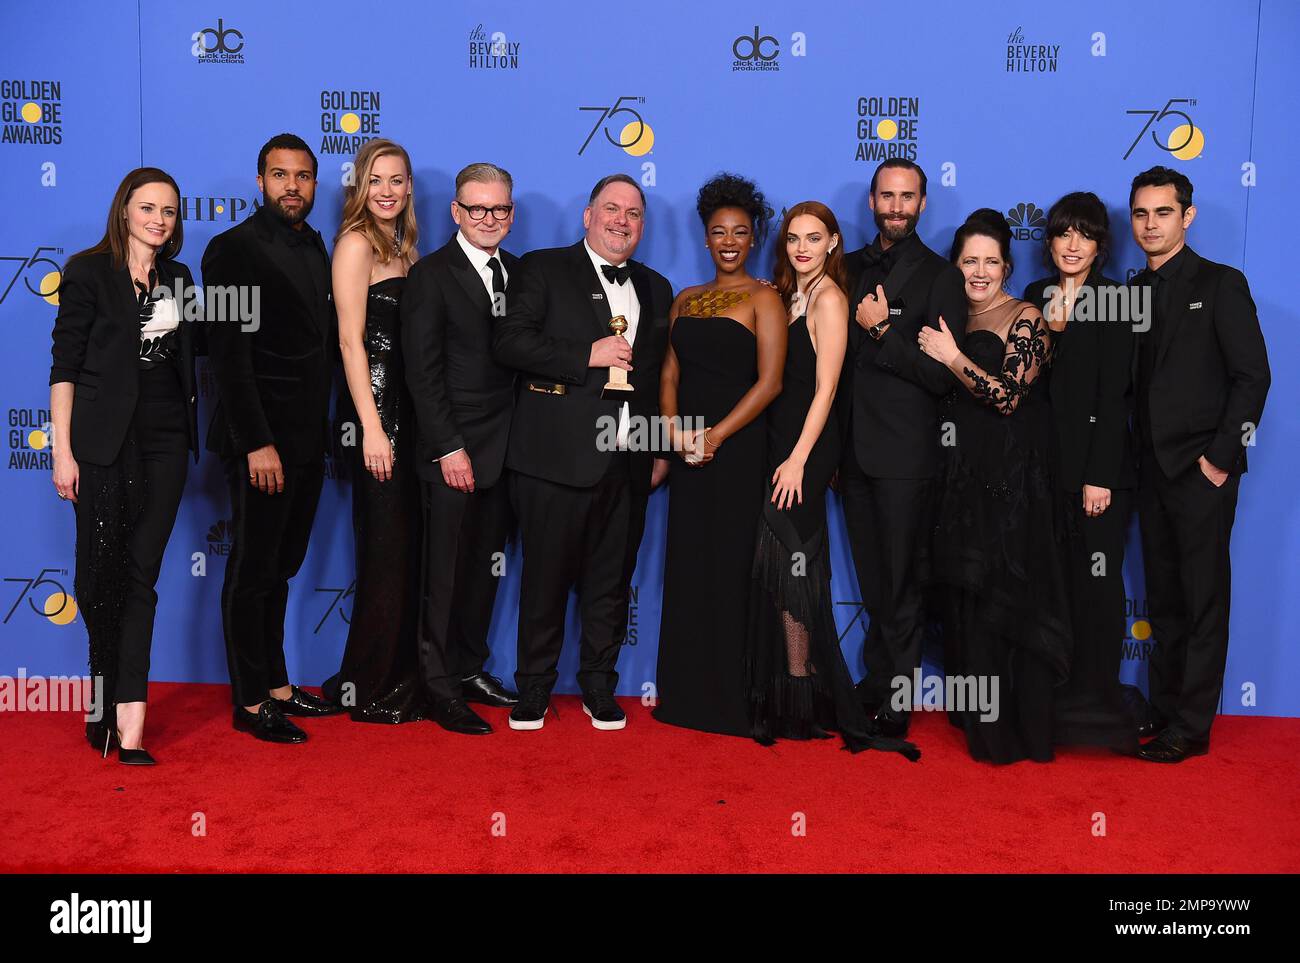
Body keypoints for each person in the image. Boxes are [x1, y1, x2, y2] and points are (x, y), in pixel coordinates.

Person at [493, 173, 672, 731]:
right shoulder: (542, 268)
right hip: (553, 458)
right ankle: (534, 690)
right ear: (588, 215)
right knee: (543, 580)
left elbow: (660, 376)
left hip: (628, 458)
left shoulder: (657, 287)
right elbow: (510, 342)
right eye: (612, 209)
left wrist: (660, 444)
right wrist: (585, 353)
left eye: (634, 213)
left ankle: (600, 686)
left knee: (611, 583)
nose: (622, 220)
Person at [747, 202, 919, 759]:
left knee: (796, 564)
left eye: (813, 238)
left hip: (808, 447)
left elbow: (825, 390)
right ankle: (800, 688)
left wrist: (799, 459)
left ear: (833, 244)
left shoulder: (830, 299)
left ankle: (801, 697)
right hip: (781, 443)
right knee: (781, 566)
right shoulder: (788, 292)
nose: (801, 247)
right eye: (794, 237)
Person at [50, 167, 200, 765]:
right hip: (101, 442)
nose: (159, 220)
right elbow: (65, 368)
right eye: (148, 208)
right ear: (124, 210)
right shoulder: (88, 272)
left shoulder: (181, 279)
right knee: (96, 578)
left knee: (140, 577)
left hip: (166, 438)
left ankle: (129, 726)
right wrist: (62, 451)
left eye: (168, 210)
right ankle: (101, 696)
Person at [1127, 166, 1270, 762]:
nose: (1150, 224)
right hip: (1149, 471)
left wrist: (1220, 459)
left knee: (1203, 598)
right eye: (1140, 214)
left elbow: (1252, 377)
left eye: (1163, 212)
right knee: (1163, 600)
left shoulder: (1221, 283)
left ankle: (1192, 725)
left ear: (1186, 216)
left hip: (1201, 471)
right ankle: (1163, 712)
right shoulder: (1131, 290)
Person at [204, 133, 343, 743]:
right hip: (262, 440)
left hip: (308, 439)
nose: (293, 186)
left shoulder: (315, 244)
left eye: (304, 176)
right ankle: (249, 700)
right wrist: (256, 441)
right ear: (259, 181)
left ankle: (280, 687)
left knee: (282, 567)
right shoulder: (231, 249)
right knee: (254, 568)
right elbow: (228, 359)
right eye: (281, 175)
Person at [917, 209, 1068, 763]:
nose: (979, 271)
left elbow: (1008, 395)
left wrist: (953, 356)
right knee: (969, 597)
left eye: (990, 261)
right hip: (960, 476)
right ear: (956, 265)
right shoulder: (949, 315)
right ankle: (983, 723)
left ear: (1007, 265)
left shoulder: (1026, 315)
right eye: (969, 260)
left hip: (1013, 478)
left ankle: (1020, 732)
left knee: (1009, 595)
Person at [838, 159, 968, 737]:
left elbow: (943, 377)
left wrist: (881, 331)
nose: (896, 207)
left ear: (922, 204)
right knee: (872, 579)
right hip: (850, 456)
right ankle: (875, 679)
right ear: (871, 202)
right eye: (886, 197)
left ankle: (898, 698)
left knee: (902, 582)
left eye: (907, 197)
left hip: (908, 457)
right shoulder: (845, 268)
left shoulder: (941, 276)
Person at [652, 173, 785, 737]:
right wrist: (675, 430)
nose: (728, 240)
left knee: (732, 567)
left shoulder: (764, 297)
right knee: (689, 564)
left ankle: (731, 701)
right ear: (705, 239)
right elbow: (669, 373)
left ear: (753, 238)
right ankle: (684, 696)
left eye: (739, 231)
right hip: (688, 453)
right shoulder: (684, 299)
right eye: (717, 232)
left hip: (736, 452)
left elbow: (771, 382)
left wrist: (715, 436)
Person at [400, 162, 522, 735]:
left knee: (483, 570)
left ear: (511, 213)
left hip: (505, 450)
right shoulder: (431, 276)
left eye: (499, 210)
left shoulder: (518, 274)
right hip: (452, 450)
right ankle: (438, 687)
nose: (489, 219)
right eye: (477, 210)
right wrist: (448, 448)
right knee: (443, 575)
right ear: (456, 213)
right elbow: (421, 374)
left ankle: (471, 669)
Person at [1023, 192, 1138, 755]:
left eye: (1084, 235)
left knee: (1097, 584)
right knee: (1054, 585)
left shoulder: (1115, 302)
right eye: (1064, 233)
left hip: (1095, 473)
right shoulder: (1033, 298)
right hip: (1042, 469)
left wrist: (1101, 477)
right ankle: (1057, 693)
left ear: (1099, 245)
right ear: (1049, 241)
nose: (1072, 245)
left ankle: (1097, 693)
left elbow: (1115, 397)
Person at [320, 138, 424, 724]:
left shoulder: (406, 249)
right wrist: (373, 429)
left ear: (409, 187)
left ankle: (402, 675)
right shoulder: (355, 244)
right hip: (376, 410)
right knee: (384, 546)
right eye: (376, 180)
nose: (386, 191)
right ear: (361, 186)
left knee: (406, 546)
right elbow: (349, 343)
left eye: (397, 180)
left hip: (409, 412)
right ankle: (369, 682)